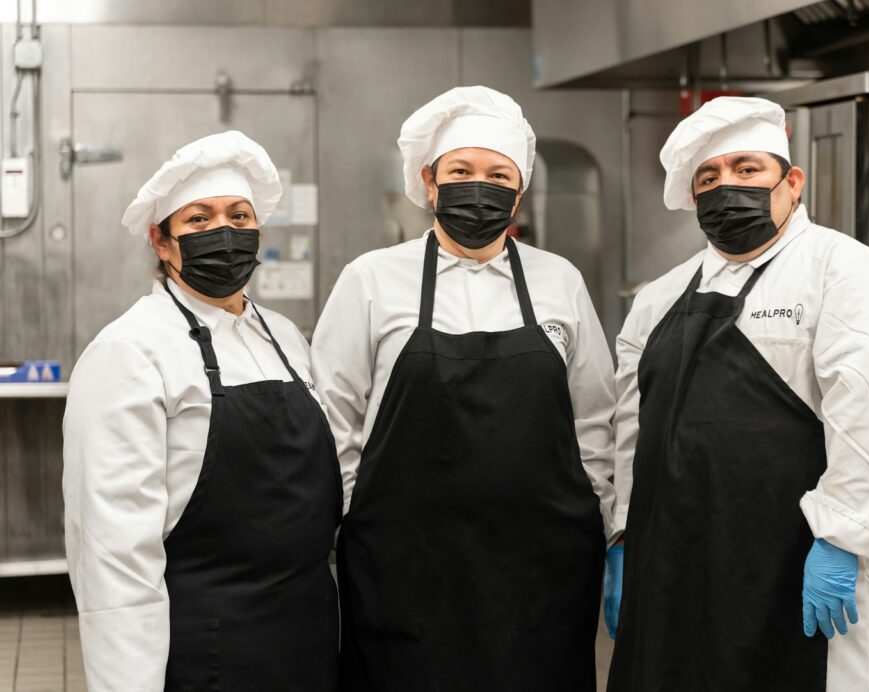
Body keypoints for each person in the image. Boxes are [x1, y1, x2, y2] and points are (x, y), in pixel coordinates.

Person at [603, 97, 869, 692]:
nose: (728, 187)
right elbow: (631, 430)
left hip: (793, 569)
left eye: (747, 169)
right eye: (710, 177)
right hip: (672, 570)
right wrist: (622, 535)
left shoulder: (845, 272)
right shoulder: (657, 298)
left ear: (791, 181)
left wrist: (841, 539)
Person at [311, 85, 616, 690]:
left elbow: (594, 418)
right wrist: (360, 519)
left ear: (519, 191)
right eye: (461, 171)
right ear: (430, 182)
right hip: (406, 565)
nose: (480, 187)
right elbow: (332, 416)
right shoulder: (372, 279)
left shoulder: (560, 280)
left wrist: (597, 524)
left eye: (498, 174)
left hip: (541, 566)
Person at [63, 131, 342, 691]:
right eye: (198, 220)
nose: (225, 232)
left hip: (307, 635)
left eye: (240, 216)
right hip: (207, 649)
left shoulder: (283, 336)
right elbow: (114, 554)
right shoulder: (130, 351)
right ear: (161, 242)